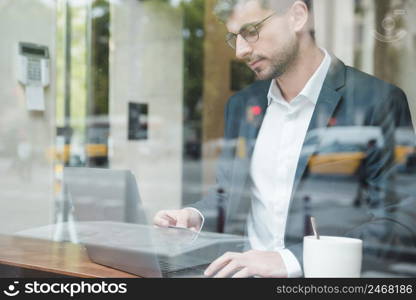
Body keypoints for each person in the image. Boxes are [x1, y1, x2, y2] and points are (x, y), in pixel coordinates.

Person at [154, 0, 415, 277]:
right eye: (234, 38)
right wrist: (194, 216)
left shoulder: (378, 101)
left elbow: (400, 219)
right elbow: (230, 192)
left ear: (298, 17)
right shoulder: (242, 105)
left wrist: (291, 260)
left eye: (251, 31)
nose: (241, 51)